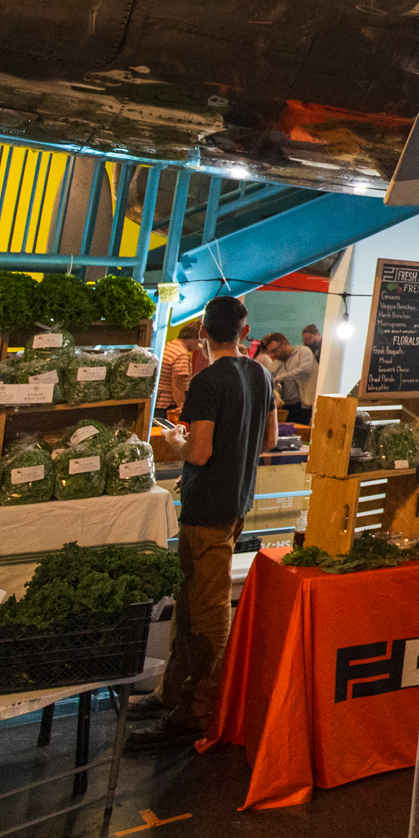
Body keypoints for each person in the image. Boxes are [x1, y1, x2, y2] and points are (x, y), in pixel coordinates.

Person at [129, 295, 271, 751]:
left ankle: (197, 712)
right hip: (236, 503)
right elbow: (268, 438)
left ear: (204, 333)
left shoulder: (207, 381)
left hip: (207, 506)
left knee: (207, 614)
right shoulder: (260, 374)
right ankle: (171, 695)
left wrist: (175, 441)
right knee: (188, 605)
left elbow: (202, 452)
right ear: (244, 333)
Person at [156, 318, 210, 422]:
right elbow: (177, 386)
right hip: (167, 405)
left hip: (157, 402)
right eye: (199, 343)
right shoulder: (181, 354)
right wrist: (184, 409)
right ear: (192, 338)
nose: (198, 348)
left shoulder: (168, 346)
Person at [269, 327, 319, 423]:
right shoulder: (277, 363)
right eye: (270, 352)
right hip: (285, 407)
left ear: (284, 343)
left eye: (275, 350)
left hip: (303, 405)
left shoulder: (303, 351)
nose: (273, 355)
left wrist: (278, 379)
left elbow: (304, 370)